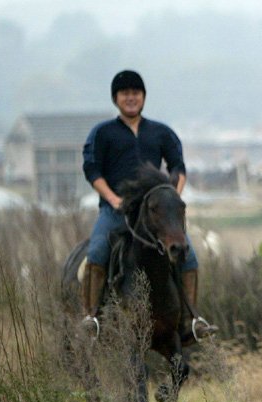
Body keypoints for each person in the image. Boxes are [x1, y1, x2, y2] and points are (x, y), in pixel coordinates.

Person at [81, 69, 211, 344]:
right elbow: (92, 170)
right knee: (97, 251)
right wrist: (114, 200)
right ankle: (92, 318)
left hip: (156, 216)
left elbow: (179, 167)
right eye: (125, 93)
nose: (131, 98)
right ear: (116, 98)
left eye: (136, 93)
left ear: (143, 97)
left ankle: (191, 322)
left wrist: (170, 201)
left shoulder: (161, 132)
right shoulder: (102, 133)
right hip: (115, 212)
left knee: (189, 256)